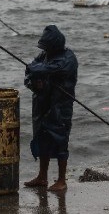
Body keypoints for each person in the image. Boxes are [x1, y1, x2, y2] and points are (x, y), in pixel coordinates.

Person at [23, 25, 78, 192]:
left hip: (60, 106)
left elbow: (48, 68)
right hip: (42, 104)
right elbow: (31, 70)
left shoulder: (68, 58)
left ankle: (61, 180)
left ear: (56, 45)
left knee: (61, 140)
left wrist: (34, 70)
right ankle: (42, 177)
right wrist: (34, 82)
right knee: (42, 139)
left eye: (47, 47)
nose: (44, 50)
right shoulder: (45, 55)